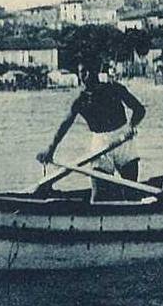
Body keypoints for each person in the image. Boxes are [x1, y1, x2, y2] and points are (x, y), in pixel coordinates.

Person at [36, 59, 146, 201]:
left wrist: (131, 126)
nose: (86, 75)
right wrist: (50, 151)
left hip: (123, 140)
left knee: (132, 191)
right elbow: (64, 126)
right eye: (82, 72)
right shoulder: (80, 100)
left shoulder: (114, 88)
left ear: (97, 71)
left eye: (89, 71)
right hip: (100, 143)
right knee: (98, 195)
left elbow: (139, 110)